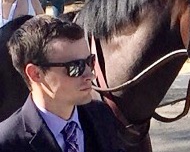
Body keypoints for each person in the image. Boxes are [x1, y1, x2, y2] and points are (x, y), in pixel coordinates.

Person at [0, 15, 125, 152]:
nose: (90, 75)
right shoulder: (8, 142)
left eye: (90, 62)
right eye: (75, 67)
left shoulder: (102, 116)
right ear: (35, 74)